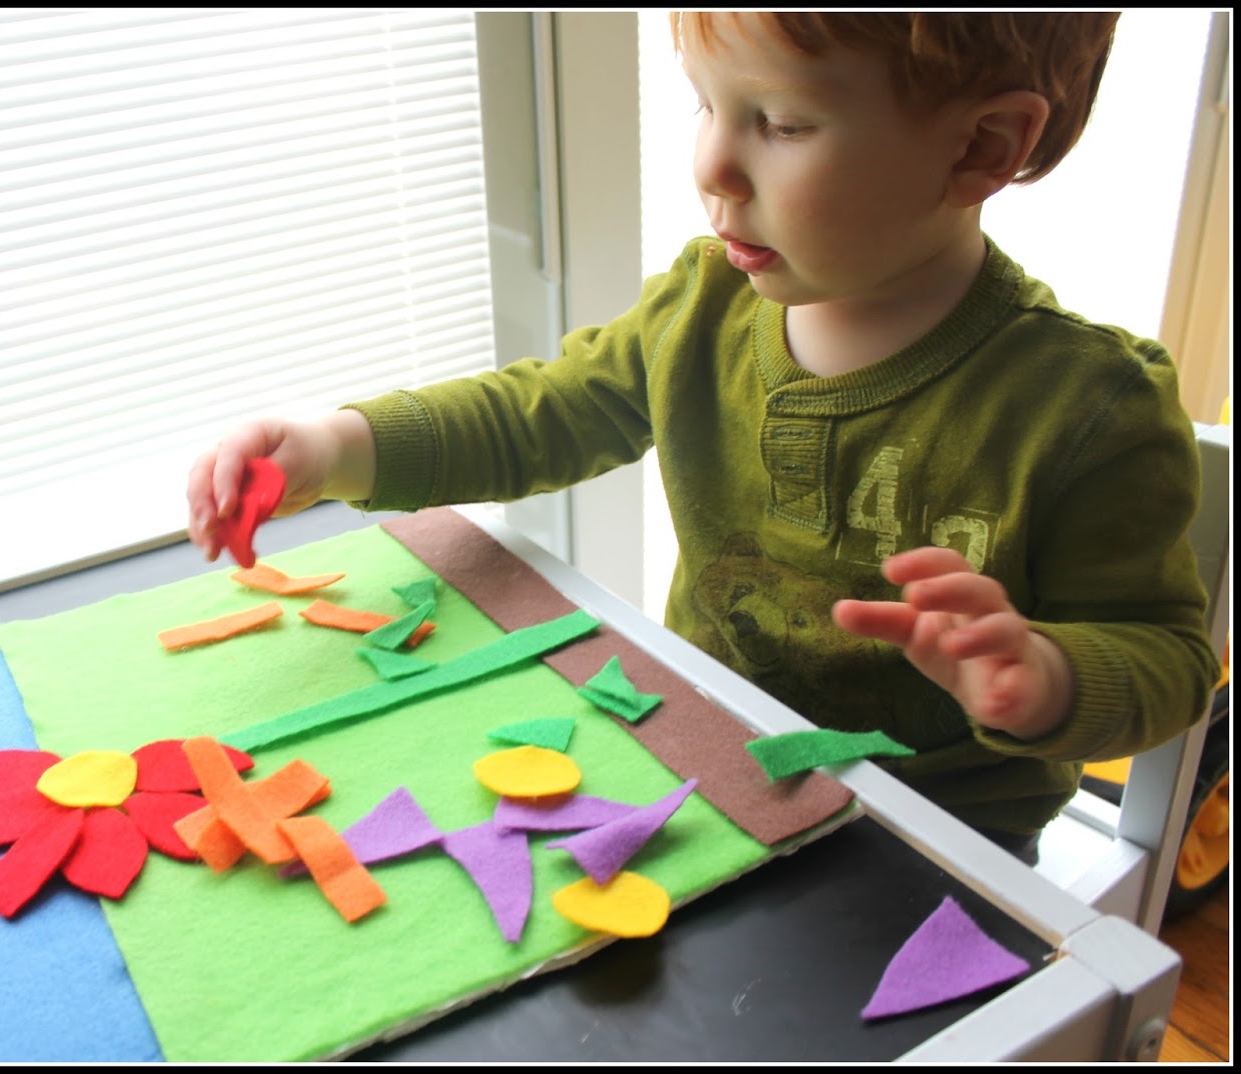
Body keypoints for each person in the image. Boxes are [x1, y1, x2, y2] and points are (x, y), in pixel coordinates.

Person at [187, 12, 1221, 864]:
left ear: (980, 147)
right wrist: (336, 447)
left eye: (779, 121)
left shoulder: (1087, 409)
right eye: (704, 103)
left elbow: (1167, 661)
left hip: (934, 845)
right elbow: (537, 413)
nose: (713, 163)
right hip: (704, 766)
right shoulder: (704, 306)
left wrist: (1043, 679)